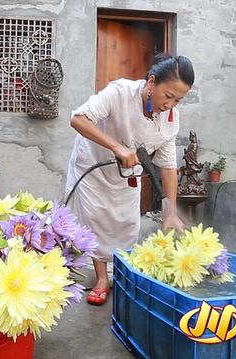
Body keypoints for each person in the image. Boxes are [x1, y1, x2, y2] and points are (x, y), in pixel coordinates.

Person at [66, 53, 194, 305]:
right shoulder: (120, 92)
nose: (170, 105)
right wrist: (118, 148)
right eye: (167, 96)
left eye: (178, 100)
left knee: (126, 223)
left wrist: (170, 211)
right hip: (94, 166)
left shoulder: (171, 118)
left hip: (127, 175)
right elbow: (78, 119)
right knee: (95, 219)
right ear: (151, 81)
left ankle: (122, 276)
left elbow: (167, 166)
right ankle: (102, 279)